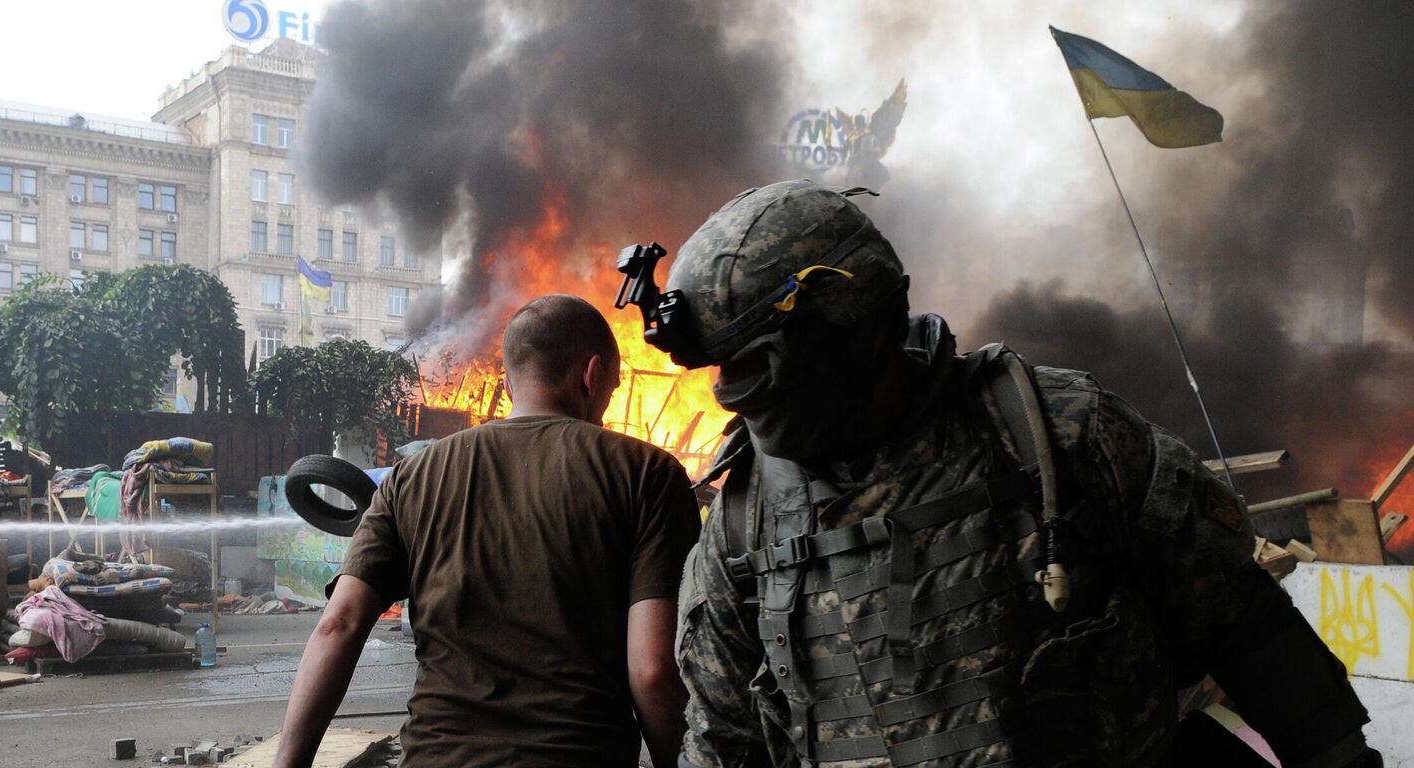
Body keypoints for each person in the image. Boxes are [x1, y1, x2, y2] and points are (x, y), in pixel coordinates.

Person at [621, 180, 1378, 767]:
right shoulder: (746, 518)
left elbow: (1242, 626)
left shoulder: (1057, 433)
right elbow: (723, 738)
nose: (729, 391)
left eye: (750, 367)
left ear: (845, 326)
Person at [276, 295, 702, 768]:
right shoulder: (648, 474)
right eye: (612, 387)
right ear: (593, 374)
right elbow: (653, 670)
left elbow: (338, 625)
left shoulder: (410, 478)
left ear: (509, 380)